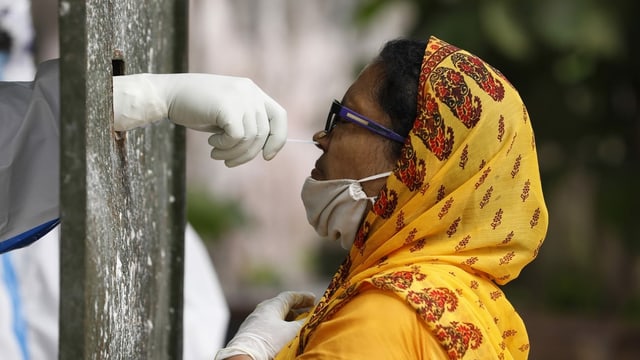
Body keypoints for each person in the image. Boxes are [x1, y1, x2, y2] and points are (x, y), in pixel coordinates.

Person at [216, 36, 549, 359]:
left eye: (345, 119)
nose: (321, 138)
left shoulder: (383, 316)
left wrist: (246, 351)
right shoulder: (471, 304)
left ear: (415, 163)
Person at [0, 56, 287, 359]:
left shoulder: (175, 266)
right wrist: (138, 98)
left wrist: (134, 98)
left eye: (342, 119)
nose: (321, 138)